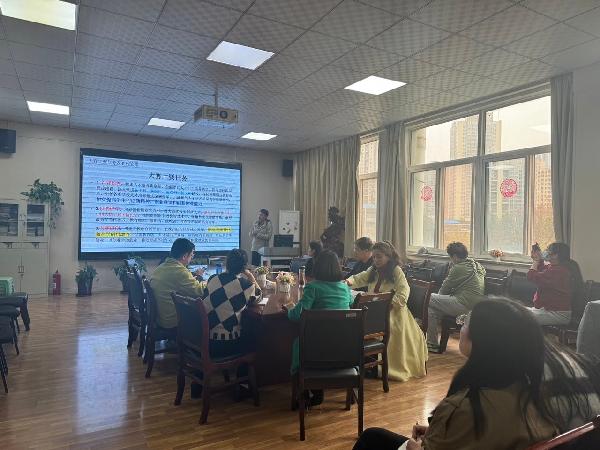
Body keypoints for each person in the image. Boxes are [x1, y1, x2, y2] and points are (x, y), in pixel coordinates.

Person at [353, 300, 558, 450]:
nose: (462, 328)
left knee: (371, 440)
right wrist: (443, 431)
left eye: (466, 322)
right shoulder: (535, 391)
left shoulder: (465, 406)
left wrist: (414, 447)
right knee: (374, 436)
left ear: (481, 341)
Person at [346, 241, 427, 382]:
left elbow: (403, 294)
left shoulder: (396, 271)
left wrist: (386, 304)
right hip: (374, 310)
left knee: (365, 323)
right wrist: (347, 282)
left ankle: (375, 364)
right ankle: (363, 361)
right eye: (374, 257)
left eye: (379, 257)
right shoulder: (373, 269)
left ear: (388, 257)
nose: (376, 260)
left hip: (393, 312)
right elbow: (359, 278)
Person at [286, 250, 353, 406]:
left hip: (316, 348)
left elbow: (297, 315)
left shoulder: (313, 287)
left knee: (297, 343)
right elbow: (350, 305)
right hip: (343, 347)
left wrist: (289, 309)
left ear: (317, 267)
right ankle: (319, 390)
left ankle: (306, 391)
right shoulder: (344, 288)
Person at [426, 242, 486, 351]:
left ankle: (431, 343)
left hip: (463, 304)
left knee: (427, 298)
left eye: (450, 257)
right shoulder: (477, 265)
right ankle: (431, 344)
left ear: (454, 256)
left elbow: (444, 289)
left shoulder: (458, 268)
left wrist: (438, 300)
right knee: (432, 310)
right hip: (475, 306)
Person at [201, 249, 259, 358]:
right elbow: (258, 297)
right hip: (227, 344)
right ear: (244, 266)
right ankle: (243, 368)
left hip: (205, 339)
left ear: (227, 263)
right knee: (255, 335)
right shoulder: (247, 285)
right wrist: (250, 276)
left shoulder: (213, 278)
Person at [150, 238, 206, 329]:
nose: (191, 258)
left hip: (161, 318)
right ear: (184, 256)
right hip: (173, 321)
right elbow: (199, 291)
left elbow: (176, 282)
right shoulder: (180, 271)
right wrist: (209, 282)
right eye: (191, 255)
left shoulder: (161, 267)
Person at [528, 242, 584, 326]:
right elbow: (541, 270)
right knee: (515, 311)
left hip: (557, 314)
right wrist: (539, 260)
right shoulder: (556, 267)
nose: (545, 252)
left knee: (520, 316)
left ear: (556, 255)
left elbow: (531, 276)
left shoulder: (560, 271)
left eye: (548, 250)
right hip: (547, 310)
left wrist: (536, 260)